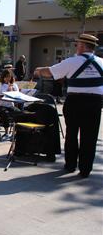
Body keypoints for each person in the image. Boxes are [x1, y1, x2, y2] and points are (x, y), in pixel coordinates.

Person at [34, 33, 102, 178]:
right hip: (95, 103)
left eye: (77, 44)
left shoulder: (72, 61)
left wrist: (39, 70)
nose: (76, 47)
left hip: (75, 102)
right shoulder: (102, 62)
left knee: (71, 134)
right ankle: (85, 169)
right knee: (90, 137)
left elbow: (50, 72)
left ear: (83, 46)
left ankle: (70, 165)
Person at [0, 69, 21, 140]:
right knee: (5, 113)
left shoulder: (14, 85)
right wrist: (7, 92)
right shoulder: (1, 85)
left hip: (10, 105)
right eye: (6, 77)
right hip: (1, 105)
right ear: (3, 77)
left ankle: (15, 133)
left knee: (19, 113)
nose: (8, 79)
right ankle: (6, 133)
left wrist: (12, 90)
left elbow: (17, 96)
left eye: (9, 77)